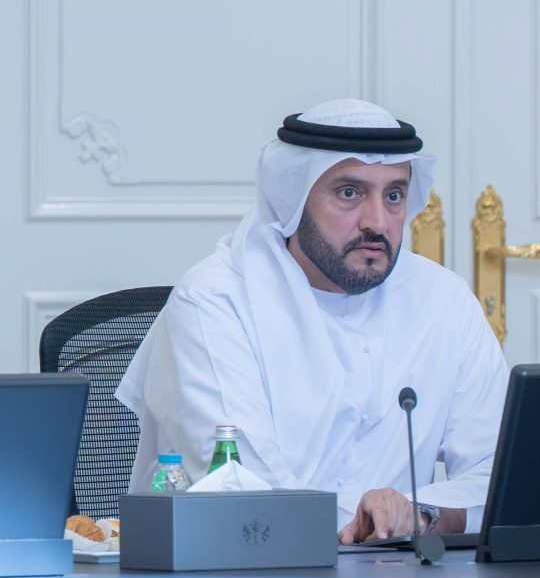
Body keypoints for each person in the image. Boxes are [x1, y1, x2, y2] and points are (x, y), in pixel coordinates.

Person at [117, 100, 508, 544]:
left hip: (395, 575)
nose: (377, 222)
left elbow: (498, 475)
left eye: (394, 196)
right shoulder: (215, 302)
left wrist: (420, 513)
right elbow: (244, 494)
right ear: (293, 197)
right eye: (350, 193)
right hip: (242, 576)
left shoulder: (443, 299)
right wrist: (368, 522)